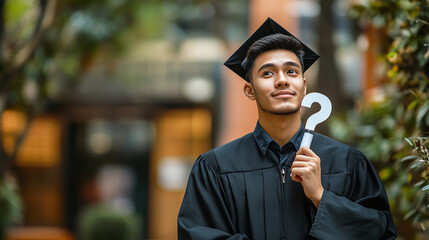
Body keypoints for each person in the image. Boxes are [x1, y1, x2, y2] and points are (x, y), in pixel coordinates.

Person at [177, 17, 397, 240]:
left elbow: (379, 232)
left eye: (291, 72)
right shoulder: (215, 168)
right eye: (267, 73)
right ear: (250, 90)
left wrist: (322, 197)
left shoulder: (348, 163)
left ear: (304, 86)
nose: (282, 80)